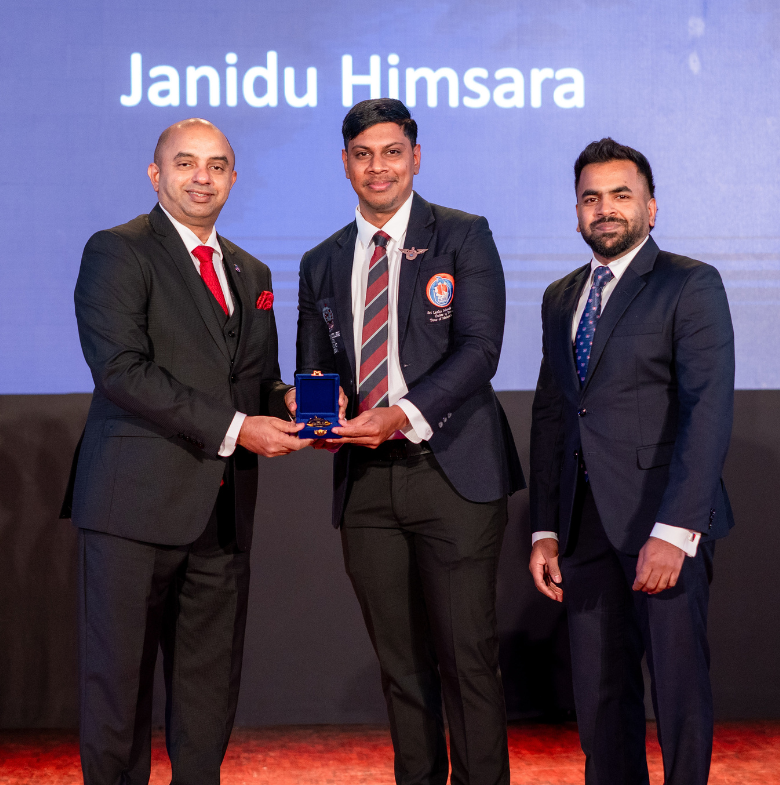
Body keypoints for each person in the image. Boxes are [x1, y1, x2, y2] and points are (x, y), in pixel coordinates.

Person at [64, 118, 313, 785]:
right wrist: (238, 426)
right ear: (156, 175)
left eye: (217, 165)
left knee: (208, 691)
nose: (202, 177)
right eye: (185, 163)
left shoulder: (251, 270)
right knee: (118, 688)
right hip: (131, 509)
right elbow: (122, 371)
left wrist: (287, 399)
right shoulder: (118, 251)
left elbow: (254, 378)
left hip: (222, 514)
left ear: (233, 177)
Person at [296, 98, 526, 785]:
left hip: (453, 472)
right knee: (401, 669)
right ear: (345, 164)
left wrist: (398, 414)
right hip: (365, 484)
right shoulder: (320, 260)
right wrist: (317, 408)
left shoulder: (462, 235)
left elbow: (480, 350)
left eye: (392, 152)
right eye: (363, 154)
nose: (378, 167)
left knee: (467, 662)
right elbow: (315, 366)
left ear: (416, 158)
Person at [528, 138, 735, 785]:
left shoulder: (690, 283)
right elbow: (553, 416)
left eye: (621, 195)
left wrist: (676, 531)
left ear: (652, 206)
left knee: (678, 693)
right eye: (591, 197)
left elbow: (707, 411)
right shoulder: (560, 296)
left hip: (662, 525)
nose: (605, 209)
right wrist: (544, 528)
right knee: (600, 699)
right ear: (577, 211)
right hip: (583, 529)